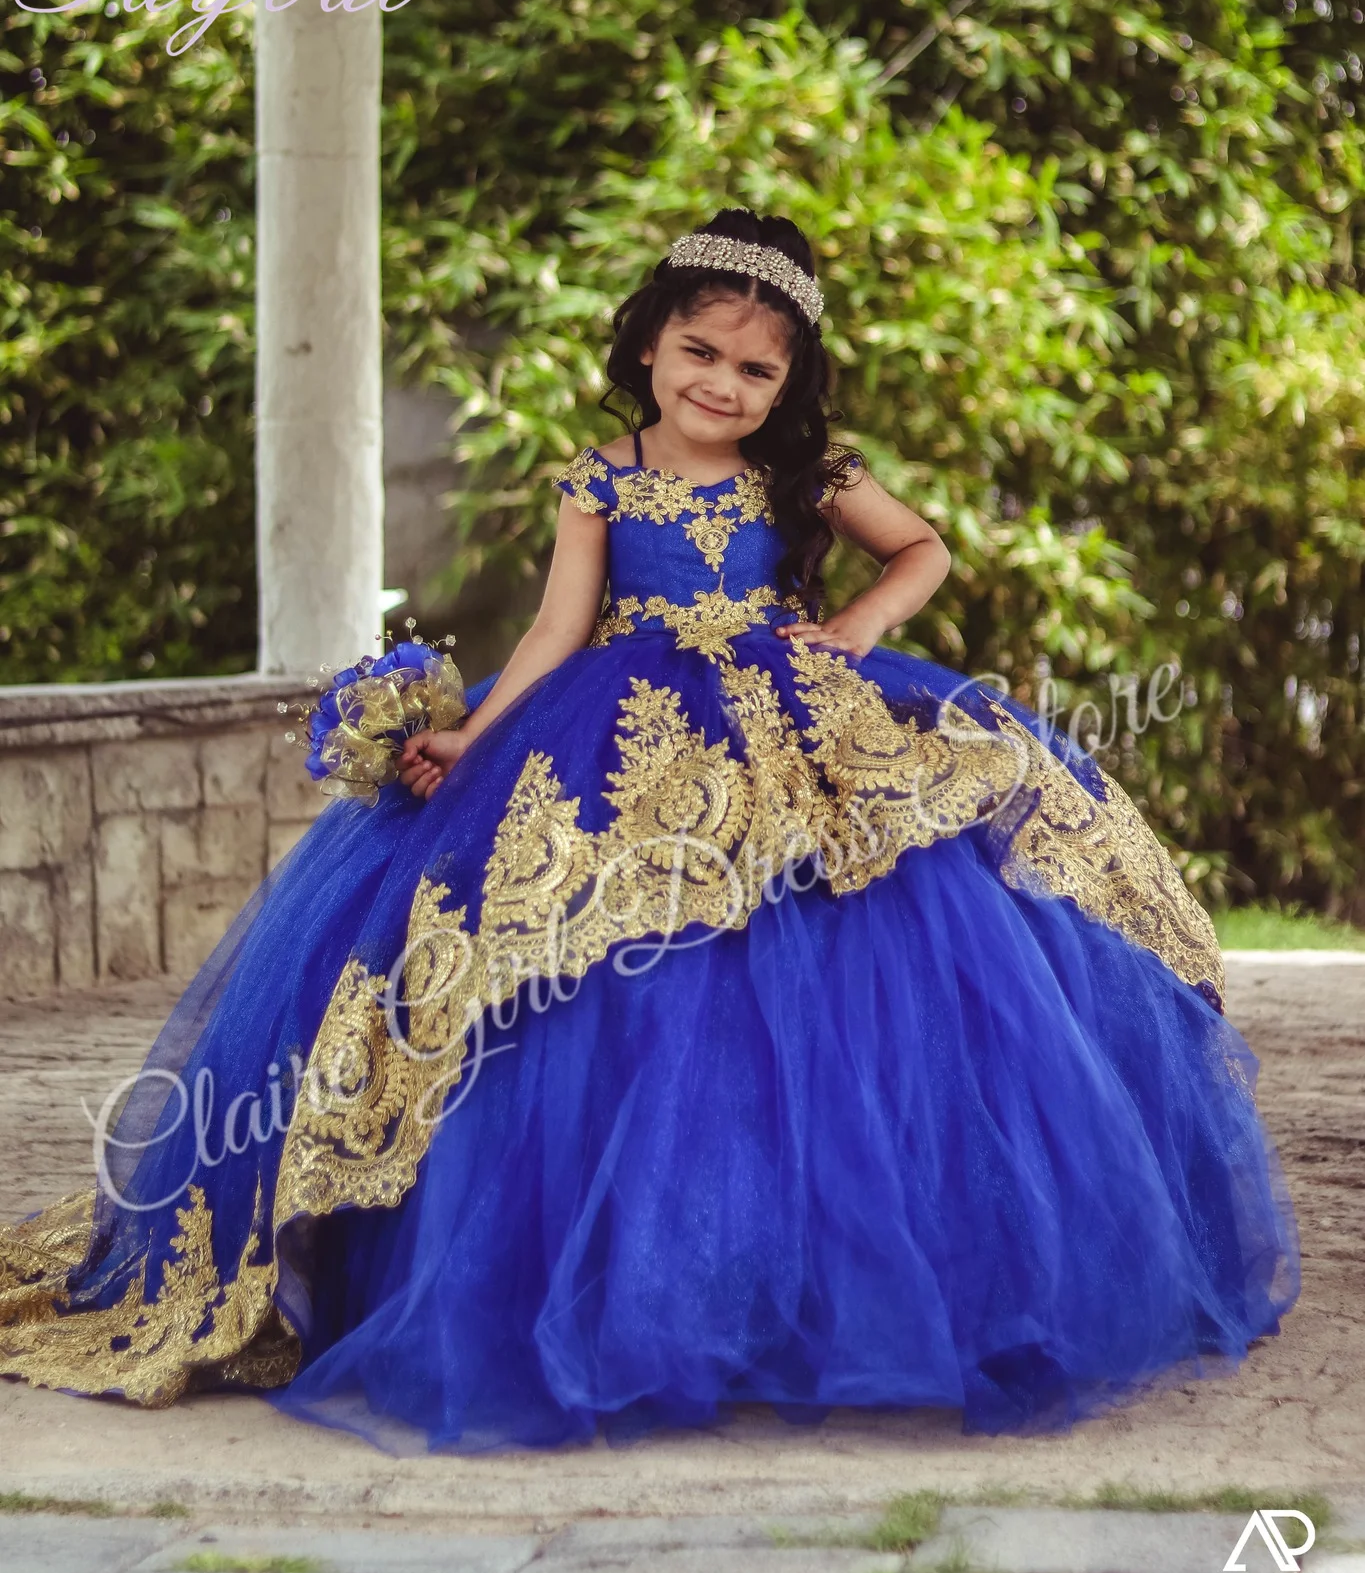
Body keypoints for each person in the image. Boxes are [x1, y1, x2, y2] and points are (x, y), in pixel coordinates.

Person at [0, 210, 1298, 1452]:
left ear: (788, 385)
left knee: (851, 964)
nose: (724, 386)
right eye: (701, 354)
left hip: (796, 726)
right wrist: (471, 740)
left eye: (756, 368)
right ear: (646, 350)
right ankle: (618, 1280)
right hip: (616, 733)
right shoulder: (600, 479)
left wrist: (852, 631)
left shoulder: (813, 475)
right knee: (579, 980)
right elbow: (556, 629)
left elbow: (922, 551)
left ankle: (828, 1279)